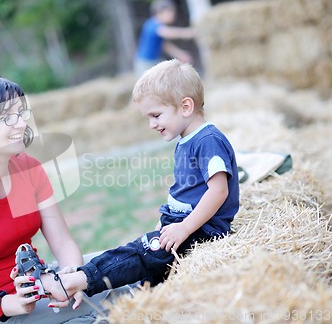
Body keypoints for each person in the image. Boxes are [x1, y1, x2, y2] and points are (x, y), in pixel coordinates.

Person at [43, 59, 240, 309]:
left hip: (203, 231)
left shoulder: (208, 140)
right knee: (152, 275)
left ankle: (81, 278)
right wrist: (167, 221)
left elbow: (219, 190)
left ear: (186, 106)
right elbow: (187, 191)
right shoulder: (186, 140)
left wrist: (184, 228)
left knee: (141, 253)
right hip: (183, 225)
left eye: (156, 115)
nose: (152, 125)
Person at [0, 73, 107, 323]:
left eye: (21, 113)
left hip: (39, 284)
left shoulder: (27, 169)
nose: (22, 124)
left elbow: (63, 243)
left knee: (114, 275)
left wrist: (72, 279)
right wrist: (10, 303)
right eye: (7, 118)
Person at [134, 0, 195, 77]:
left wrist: (180, 54)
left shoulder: (157, 25)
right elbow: (165, 32)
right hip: (146, 64)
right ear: (160, 12)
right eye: (171, 11)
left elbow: (165, 45)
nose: (173, 15)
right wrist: (185, 32)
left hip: (154, 62)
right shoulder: (152, 24)